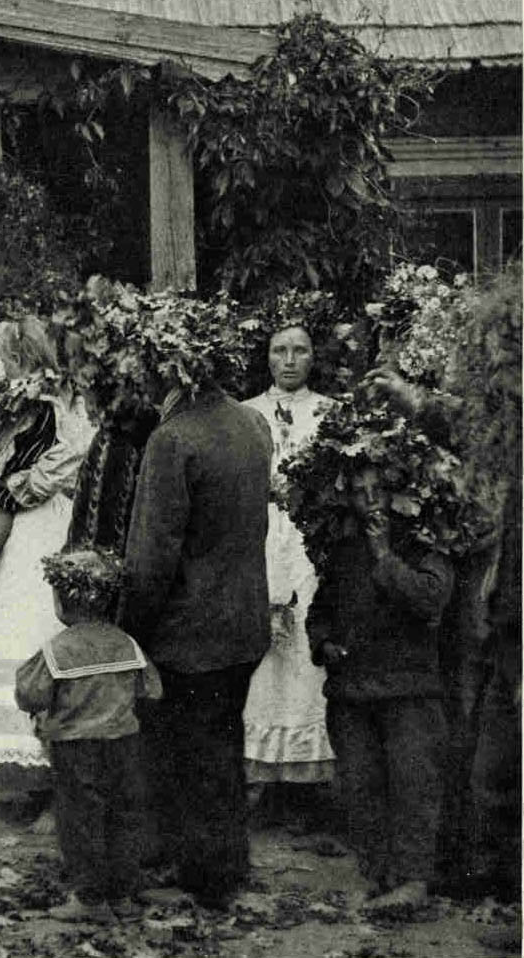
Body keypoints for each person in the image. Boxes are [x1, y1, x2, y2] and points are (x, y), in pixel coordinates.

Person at [119, 365, 271, 909]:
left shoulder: (173, 439)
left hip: (189, 628)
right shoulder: (252, 423)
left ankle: (202, 876)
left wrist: (131, 626)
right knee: (222, 746)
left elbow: (152, 553)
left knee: (186, 754)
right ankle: (226, 865)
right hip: (245, 621)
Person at [0, 315, 94, 806]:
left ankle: (47, 772)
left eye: (7, 362)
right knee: (10, 629)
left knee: (33, 627)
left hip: (41, 528)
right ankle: (22, 772)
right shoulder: (18, 408)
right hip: (17, 532)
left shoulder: (51, 408)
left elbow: (43, 472)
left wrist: (8, 496)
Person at [308, 472, 453, 912]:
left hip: (408, 688)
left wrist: (385, 554)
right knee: (361, 785)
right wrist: (324, 642)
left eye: (378, 489)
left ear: (398, 491)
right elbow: (321, 608)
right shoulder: (342, 547)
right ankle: (376, 875)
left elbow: (430, 599)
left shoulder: (426, 541)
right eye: (358, 490)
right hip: (353, 689)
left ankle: (413, 881)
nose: (369, 500)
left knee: (412, 783)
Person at [18, 549, 160, 924]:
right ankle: (124, 895)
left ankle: (90, 897)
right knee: (124, 815)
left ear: (64, 601)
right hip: (124, 744)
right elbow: (152, 689)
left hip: (75, 747)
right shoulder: (126, 644)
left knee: (81, 818)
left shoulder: (57, 649)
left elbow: (29, 693)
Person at [240, 326, 336, 817]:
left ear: (314, 356)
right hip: (260, 541)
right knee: (263, 656)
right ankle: (260, 777)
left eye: (300, 350)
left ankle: (307, 785)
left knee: (303, 652)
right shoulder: (246, 414)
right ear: (267, 357)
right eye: (280, 350)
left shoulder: (331, 413)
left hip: (307, 546)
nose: (290, 360)